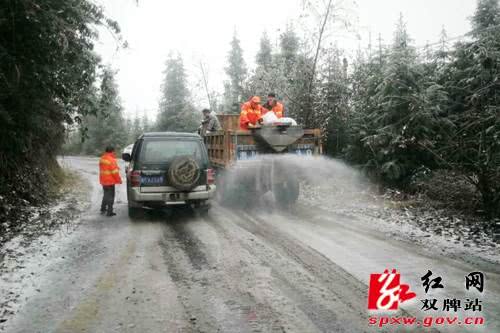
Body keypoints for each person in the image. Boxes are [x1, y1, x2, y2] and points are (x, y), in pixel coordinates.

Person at [99, 146, 122, 217]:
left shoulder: (102, 158)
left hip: (103, 180)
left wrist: (116, 167)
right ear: (112, 151)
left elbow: (105, 167)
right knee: (111, 197)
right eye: (114, 151)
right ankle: (109, 212)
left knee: (106, 195)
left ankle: (103, 209)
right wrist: (119, 180)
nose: (114, 152)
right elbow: (114, 172)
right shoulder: (112, 160)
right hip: (110, 181)